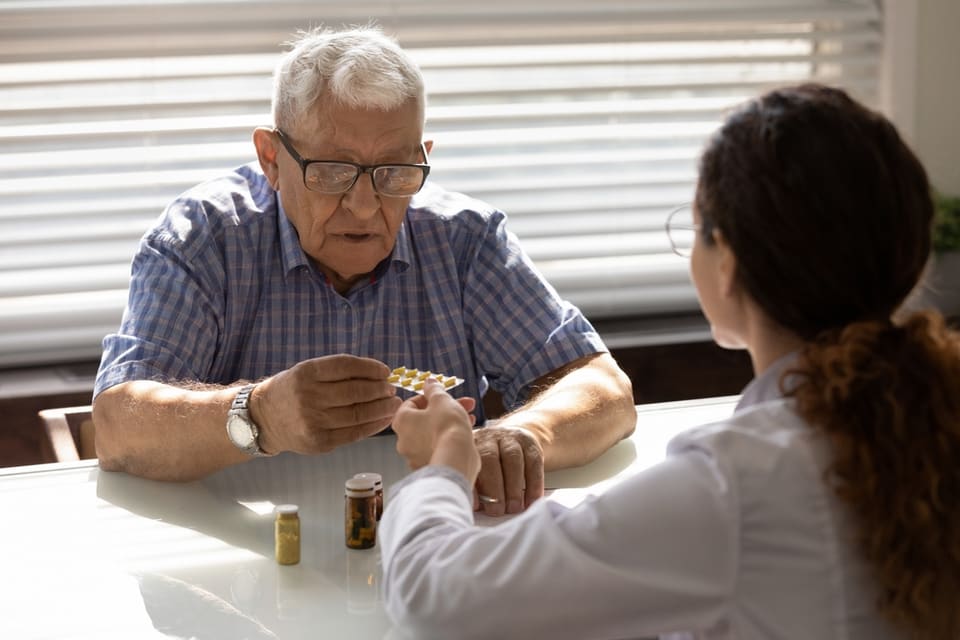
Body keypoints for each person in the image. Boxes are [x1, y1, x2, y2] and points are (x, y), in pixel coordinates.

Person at [380, 84, 960, 639]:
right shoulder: (927, 414)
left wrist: (442, 466)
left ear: (727, 261)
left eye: (698, 229)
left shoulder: (734, 485)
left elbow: (437, 601)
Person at [91, 25, 636, 510]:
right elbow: (118, 427)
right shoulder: (204, 238)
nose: (364, 205)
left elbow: (603, 389)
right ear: (271, 159)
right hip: (247, 554)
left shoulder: (463, 239)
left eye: (395, 171)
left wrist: (523, 435)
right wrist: (260, 415)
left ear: (423, 155)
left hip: (431, 550)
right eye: (332, 172)